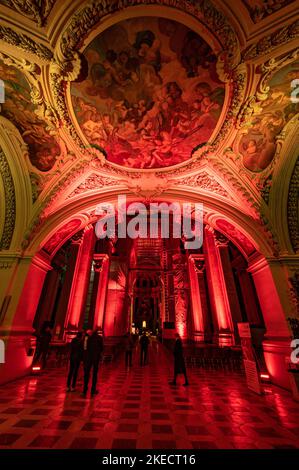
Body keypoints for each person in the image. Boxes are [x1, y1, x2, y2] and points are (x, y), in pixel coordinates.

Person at [82, 328, 104, 397]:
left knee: (86, 374)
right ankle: (93, 390)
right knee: (94, 374)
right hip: (95, 359)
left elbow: (85, 348)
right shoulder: (99, 338)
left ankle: (84, 390)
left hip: (88, 358)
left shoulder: (88, 338)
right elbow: (101, 348)